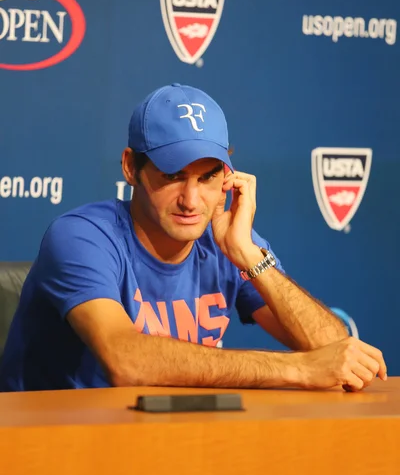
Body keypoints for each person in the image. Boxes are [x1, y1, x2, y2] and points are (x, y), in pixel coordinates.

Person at [0, 83, 387, 392]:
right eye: (172, 176)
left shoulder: (229, 240)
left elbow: (333, 351)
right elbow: (127, 361)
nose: (191, 200)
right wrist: (298, 370)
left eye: (207, 178)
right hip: (49, 448)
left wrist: (250, 256)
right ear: (130, 167)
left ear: (229, 176)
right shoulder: (82, 237)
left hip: (165, 443)